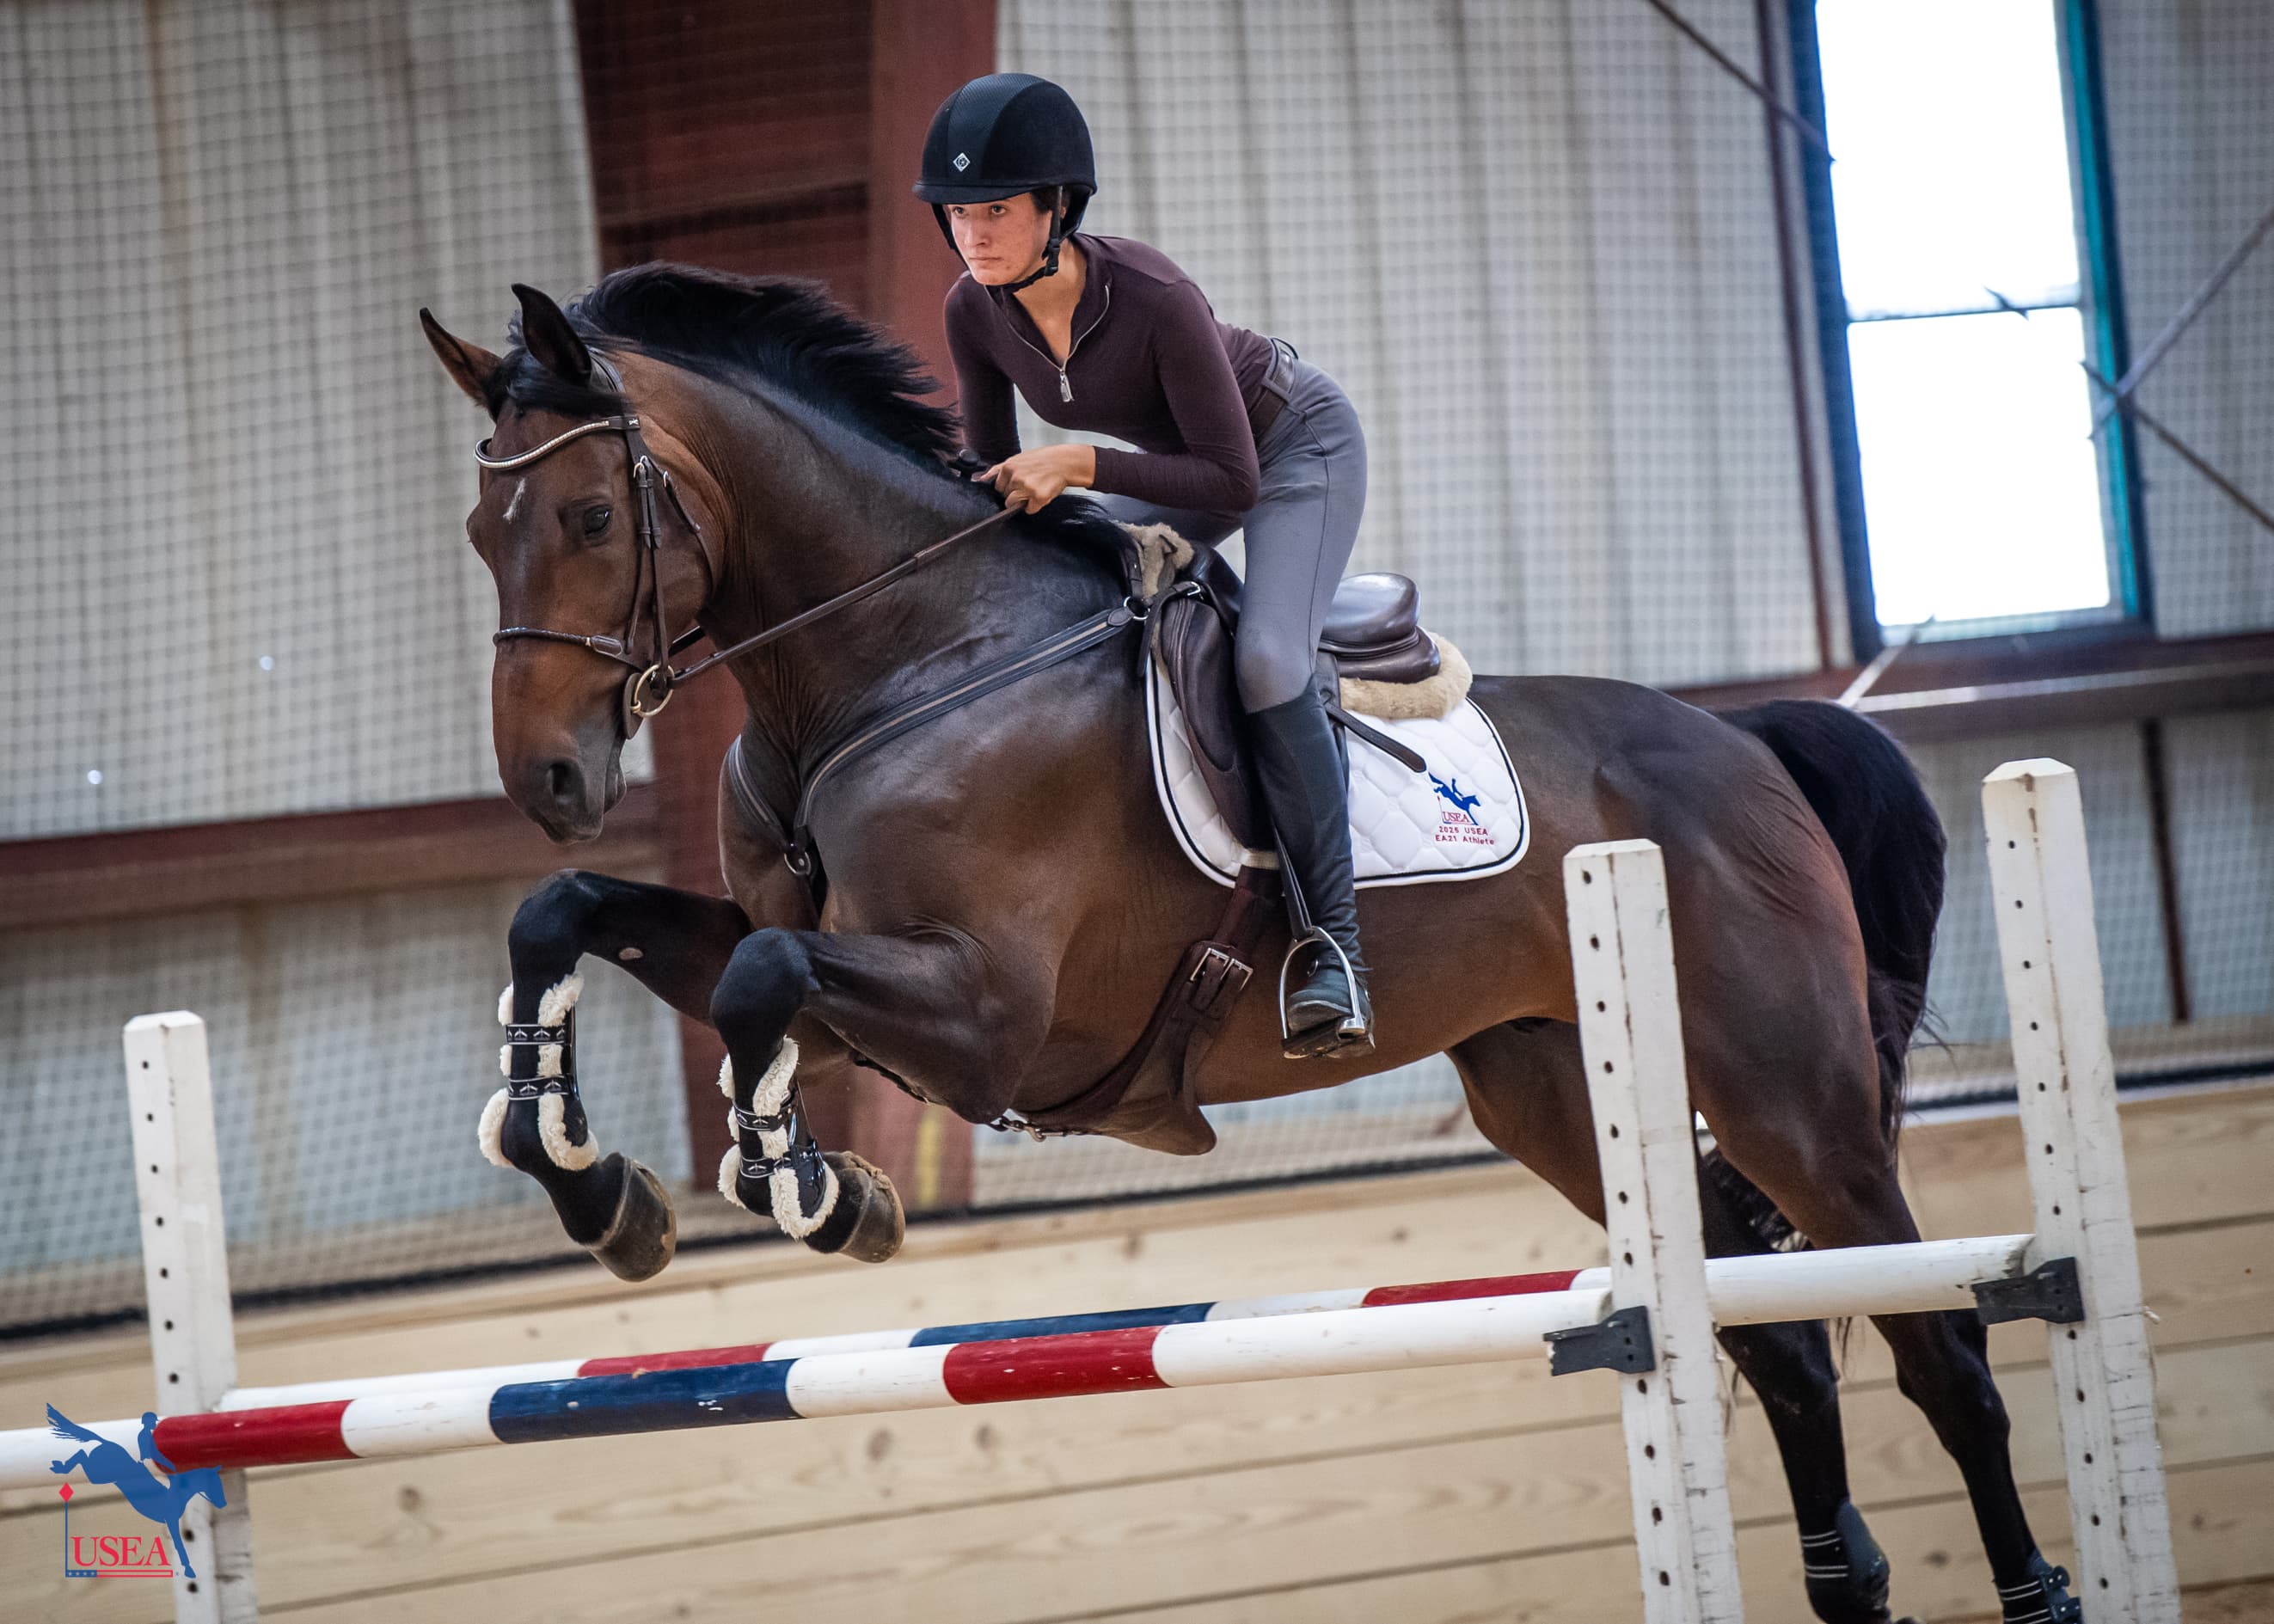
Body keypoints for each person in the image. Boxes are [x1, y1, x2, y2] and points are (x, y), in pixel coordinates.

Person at [913, 72, 1374, 1059]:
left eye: (995, 211)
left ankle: (1334, 948)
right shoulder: (972, 310)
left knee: (1267, 663)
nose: (973, 236)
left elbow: (1229, 485)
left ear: (1058, 208)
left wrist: (1076, 463)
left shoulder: (1155, 294)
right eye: (957, 215)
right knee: (1069, 594)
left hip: (1288, 451)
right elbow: (988, 480)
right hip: (1185, 469)